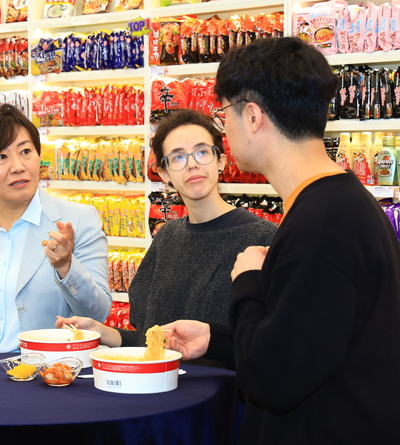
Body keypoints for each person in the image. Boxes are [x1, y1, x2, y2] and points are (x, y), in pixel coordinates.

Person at [165, 37, 400, 443]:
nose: (225, 131)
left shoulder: (322, 224)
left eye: (224, 116)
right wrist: (218, 338)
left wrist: (248, 282)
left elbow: (272, 379)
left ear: (252, 116)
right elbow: (307, 341)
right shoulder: (335, 204)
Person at [56, 109, 277, 368]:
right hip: (161, 390)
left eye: (202, 152)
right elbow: (152, 342)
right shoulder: (167, 238)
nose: (192, 164)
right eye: (178, 157)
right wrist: (101, 331)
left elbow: (270, 345)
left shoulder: (261, 238)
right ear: (164, 174)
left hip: (224, 400)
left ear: (221, 161)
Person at [0, 104, 111, 354]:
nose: (18, 166)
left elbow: (98, 312)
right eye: (1, 157)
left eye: (25, 151)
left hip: (52, 371)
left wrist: (66, 267)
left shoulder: (78, 220)